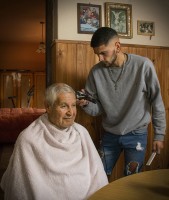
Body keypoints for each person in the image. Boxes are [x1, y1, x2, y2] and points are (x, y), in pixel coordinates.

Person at [77, 27, 166, 178]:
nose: (100, 58)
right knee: (97, 176)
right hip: (110, 134)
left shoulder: (143, 66)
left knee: (132, 181)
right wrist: (86, 104)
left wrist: (159, 135)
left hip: (137, 134)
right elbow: (97, 109)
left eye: (103, 53)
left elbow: (157, 102)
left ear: (117, 46)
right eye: (97, 54)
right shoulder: (95, 72)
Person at [0, 83, 108, 200]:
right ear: (48, 107)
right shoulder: (29, 138)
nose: (71, 113)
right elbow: (18, 186)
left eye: (73, 105)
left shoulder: (82, 132)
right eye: (63, 106)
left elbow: (98, 174)